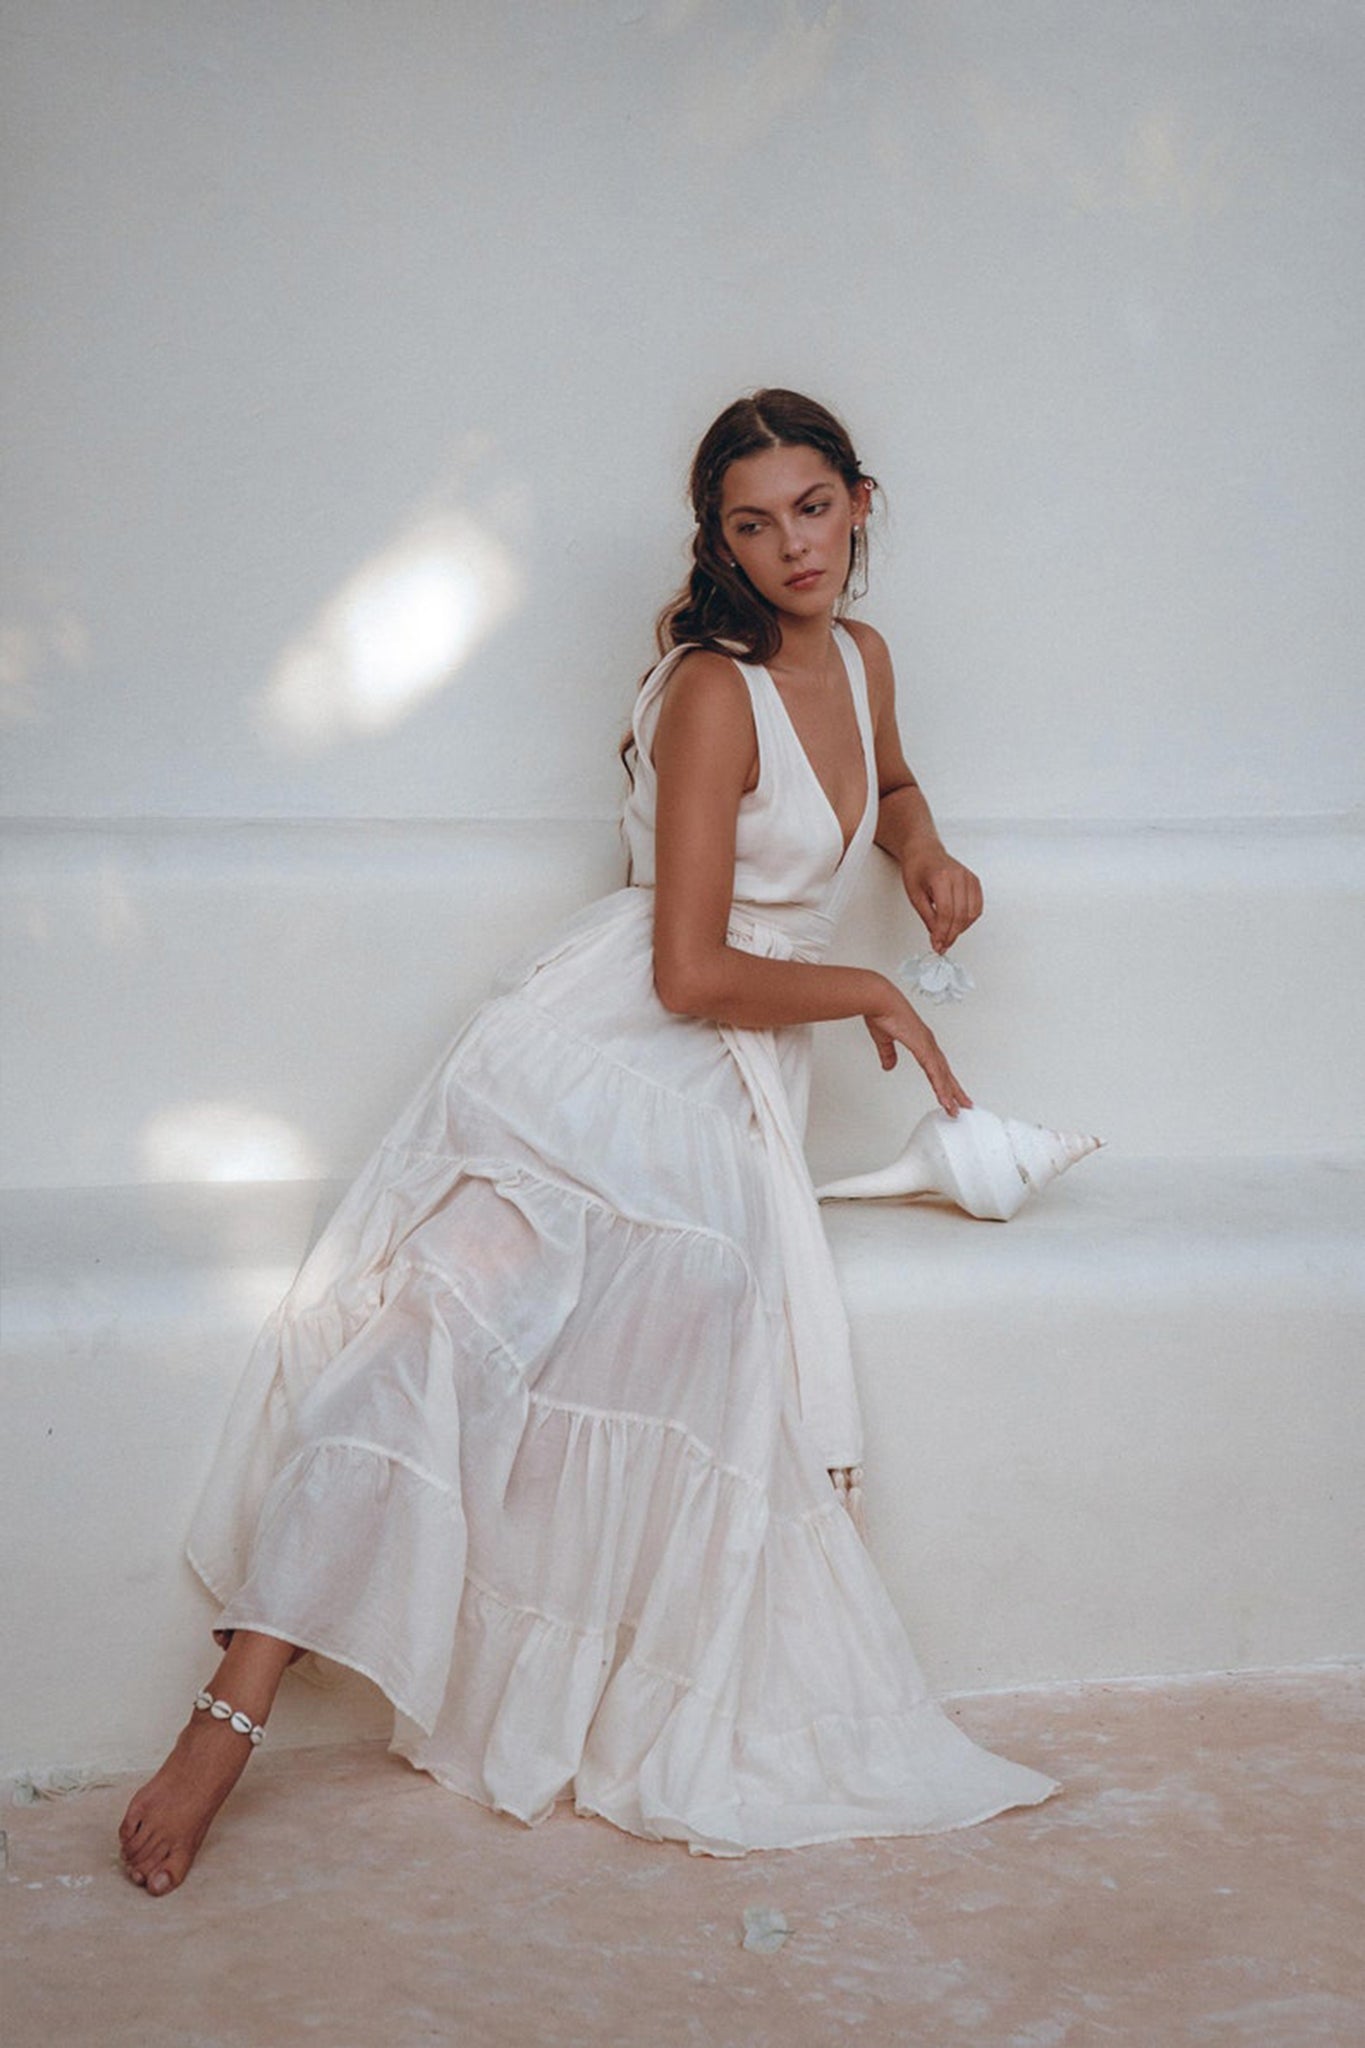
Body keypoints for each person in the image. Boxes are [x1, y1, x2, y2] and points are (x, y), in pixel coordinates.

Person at [119, 389, 1058, 1895]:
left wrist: (925, 848)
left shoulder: (863, 657)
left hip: (734, 1087)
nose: (792, 547)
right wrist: (872, 987)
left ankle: (521, 1655)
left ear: (861, 502)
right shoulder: (710, 692)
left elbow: (882, 783)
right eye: (754, 523)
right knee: (442, 1325)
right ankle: (225, 1717)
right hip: (623, 1049)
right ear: (719, 542)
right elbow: (687, 970)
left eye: (814, 508)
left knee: (670, 1337)